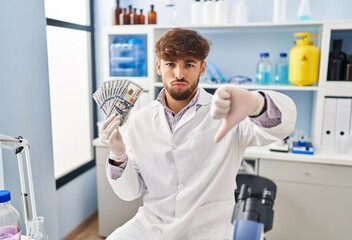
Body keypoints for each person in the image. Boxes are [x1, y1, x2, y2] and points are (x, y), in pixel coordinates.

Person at [100, 28, 297, 240]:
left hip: (210, 230)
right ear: (159, 66)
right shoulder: (139, 121)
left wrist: (257, 103)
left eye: (189, 64)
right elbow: (130, 192)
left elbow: (282, 126)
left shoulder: (227, 112)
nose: (179, 74)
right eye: (170, 64)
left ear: (202, 68)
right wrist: (118, 156)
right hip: (153, 227)